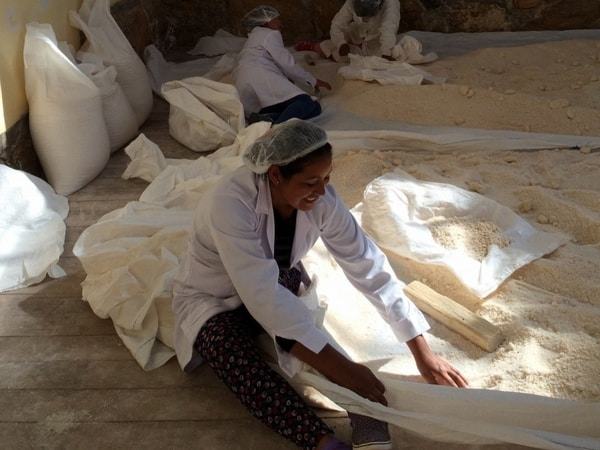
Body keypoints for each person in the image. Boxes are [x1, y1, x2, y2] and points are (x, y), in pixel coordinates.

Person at [172, 119, 469, 450]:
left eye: (327, 178)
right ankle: (321, 440)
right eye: (311, 181)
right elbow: (262, 296)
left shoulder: (321, 199)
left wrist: (421, 351)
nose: (322, 190)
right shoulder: (230, 204)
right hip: (213, 296)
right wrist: (344, 369)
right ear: (275, 175)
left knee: (302, 328)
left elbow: (366, 262)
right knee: (232, 355)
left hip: (274, 277)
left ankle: (364, 414)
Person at [232, 6, 331, 125]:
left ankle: (267, 117)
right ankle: (276, 126)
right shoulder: (270, 34)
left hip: (243, 80)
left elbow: (275, 62)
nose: (281, 23)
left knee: (294, 105)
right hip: (260, 75)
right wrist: (313, 81)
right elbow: (288, 64)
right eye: (277, 19)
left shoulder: (254, 36)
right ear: (267, 21)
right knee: (308, 104)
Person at [295, 0, 400, 62]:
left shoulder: (391, 3)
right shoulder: (352, 1)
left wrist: (386, 52)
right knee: (332, 49)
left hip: (377, 42)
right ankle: (313, 46)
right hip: (356, 33)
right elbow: (337, 24)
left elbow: (389, 27)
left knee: (396, 55)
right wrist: (341, 43)